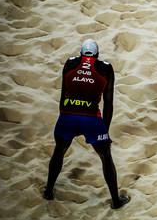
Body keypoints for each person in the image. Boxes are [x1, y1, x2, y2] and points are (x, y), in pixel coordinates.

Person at [43, 39, 130, 209]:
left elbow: (63, 96)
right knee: (106, 157)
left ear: (81, 54)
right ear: (97, 55)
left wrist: (64, 116)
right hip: (91, 118)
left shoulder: (70, 63)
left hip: (67, 116)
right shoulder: (105, 68)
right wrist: (105, 129)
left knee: (59, 151)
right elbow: (108, 102)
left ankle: (49, 191)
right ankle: (116, 201)